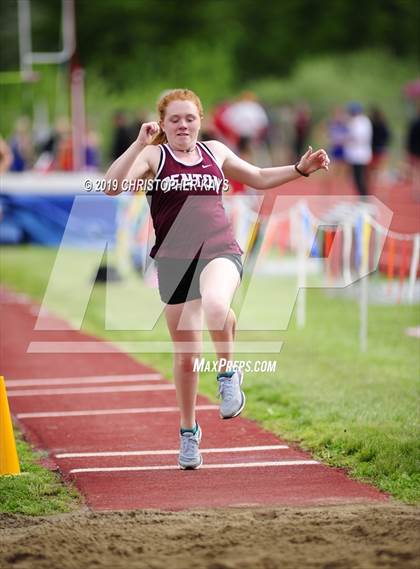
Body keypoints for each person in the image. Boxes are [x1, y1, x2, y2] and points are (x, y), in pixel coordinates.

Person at [104, 89, 329, 470]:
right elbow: (111, 187)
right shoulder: (153, 156)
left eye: (189, 118)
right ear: (162, 123)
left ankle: (227, 373)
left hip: (219, 248)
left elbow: (256, 176)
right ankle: (188, 432)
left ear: (200, 120)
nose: (182, 125)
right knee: (187, 356)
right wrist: (136, 144)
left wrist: (298, 170)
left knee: (215, 304)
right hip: (175, 262)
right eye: (174, 119)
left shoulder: (215, 153)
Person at [344, 102, 373, 198]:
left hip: (360, 154)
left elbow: (359, 136)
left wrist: (347, 138)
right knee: (356, 178)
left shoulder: (362, 121)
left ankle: (364, 197)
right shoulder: (355, 121)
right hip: (355, 154)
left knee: (360, 178)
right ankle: (361, 196)